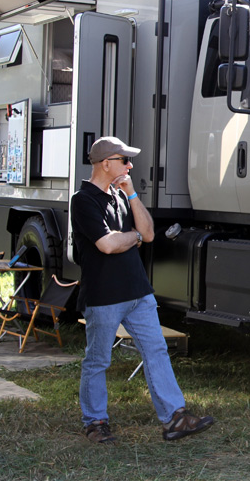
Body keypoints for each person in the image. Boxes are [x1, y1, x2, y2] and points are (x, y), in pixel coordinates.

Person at [70, 136, 214, 444]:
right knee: (98, 360)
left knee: (157, 351)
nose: (130, 165)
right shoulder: (82, 200)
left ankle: (174, 418)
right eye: (124, 160)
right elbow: (107, 244)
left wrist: (132, 194)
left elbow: (147, 234)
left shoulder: (121, 196)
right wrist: (132, 236)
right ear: (105, 164)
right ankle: (95, 422)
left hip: (138, 292)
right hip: (104, 296)